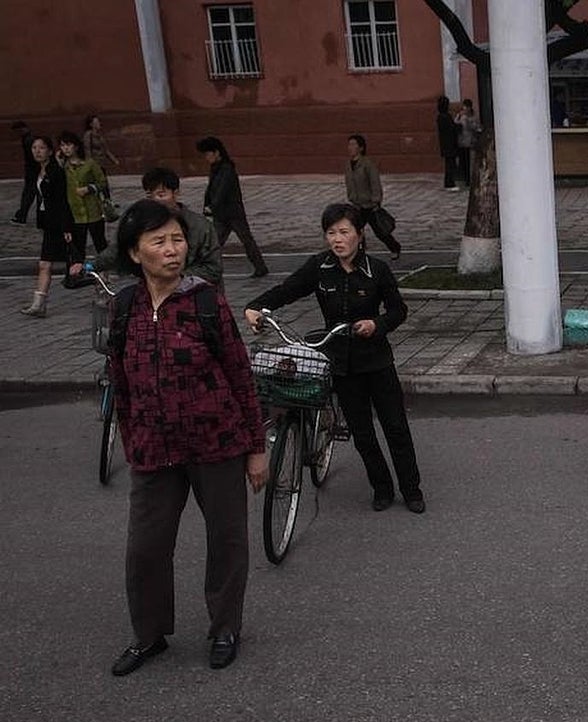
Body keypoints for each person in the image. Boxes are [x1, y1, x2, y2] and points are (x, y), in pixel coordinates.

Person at [107, 199, 267, 676]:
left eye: (177, 239)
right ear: (135, 252)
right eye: (159, 241)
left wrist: (256, 448)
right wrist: (130, 438)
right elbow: (120, 381)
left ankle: (225, 628)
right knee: (145, 548)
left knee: (227, 540)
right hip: (153, 450)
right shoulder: (124, 307)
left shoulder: (205, 301)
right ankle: (150, 634)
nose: (172, 250)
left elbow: (240, 375)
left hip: (217, 443)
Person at [244, 204, 425, 514]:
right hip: (341, 364)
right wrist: (256, 306)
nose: (337, 239)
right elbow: (287, 290)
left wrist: (377, 324)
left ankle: (411, 490)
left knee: (396, 427)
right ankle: (381, 488)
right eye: (331, 233)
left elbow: (398, 311)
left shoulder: (377, 270)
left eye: (344, 232)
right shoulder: (320, 267)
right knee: (362, 433)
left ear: (360, 235)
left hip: (377, 362)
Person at [78, 167, 224, 288]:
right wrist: (90, 266)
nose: (155, 201)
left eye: (161, 195)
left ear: (176, 194)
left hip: (194, 295)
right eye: (150, 195)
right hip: (154, 294)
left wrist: (173, 276)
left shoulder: (200, 226)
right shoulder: (140, 223)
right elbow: (118, 250)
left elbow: (213, 268)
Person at [195, 136, 268, 277]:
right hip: (221, 214)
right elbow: (211, 189)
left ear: (216, 152)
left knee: (246, 240)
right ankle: (207, 268)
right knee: (215, 243)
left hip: (233, 213)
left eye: (208, 154)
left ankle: (260, 267)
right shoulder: (216, 168)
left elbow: (222, 191)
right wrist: (207, 205)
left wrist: (212, 206)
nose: (206, 158)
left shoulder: (226, 168)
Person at [19, 136, 73, 317]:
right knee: (45, 264)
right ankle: (38, 305)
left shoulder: (56, 172)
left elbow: (62, 201)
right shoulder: (36, 170)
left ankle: (102, 288)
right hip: (49, 223)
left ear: (50, 151)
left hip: (60, 223)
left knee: (74, 262)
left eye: (41, 148)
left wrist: (66, 227)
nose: (37, 151)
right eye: (34, 148)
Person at [58, 131, 109, 271]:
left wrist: (89, 188)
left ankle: (105, 272)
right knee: (78, 246)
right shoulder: (63, 166)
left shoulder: (89, 163)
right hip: (75, 213)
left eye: (68, 145)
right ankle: (79, 273)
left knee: (100, 242)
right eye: (62, 145)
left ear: (76, 146)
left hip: (93, 210)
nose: (66, 148)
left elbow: (102, 182)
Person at [344, 134, 402, 259]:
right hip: (357, 204)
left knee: (380, 231)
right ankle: (360, 253)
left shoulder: (367, 164)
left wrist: (376, 200)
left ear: (361, 148)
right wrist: (351, 196)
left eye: (353, 144)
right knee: (356, 229)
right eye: (349, 144)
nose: (350, 147)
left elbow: (375, 182)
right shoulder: (348, 164)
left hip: (369, 204)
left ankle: (395, 247)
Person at [10, 121, 37, 225]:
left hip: (33, 171)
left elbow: (33, 157)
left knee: (28, 194)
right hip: (33, 170)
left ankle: (22, 215)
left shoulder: (28, 140)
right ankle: (22, 214)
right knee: (30, 194)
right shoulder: (28, 138)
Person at [454, 99, 481, 187]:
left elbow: (476, 127)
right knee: (463, 162)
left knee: (470, 162)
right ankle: (464, 179)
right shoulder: (461, 116)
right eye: (464, 107)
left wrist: (468, 122)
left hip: (470, 141)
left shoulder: (474, 117)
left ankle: (470, 180)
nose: (465, 109)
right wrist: (458, 116)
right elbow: (455, 123)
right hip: (462, 142)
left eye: (466, 107)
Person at [435, 96, 459, 191]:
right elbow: (452, 128)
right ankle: (450, 183)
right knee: (450, 165)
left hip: (445, 144)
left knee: (449, 164)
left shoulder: (440, 117)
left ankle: (449, 183)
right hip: (450, 144)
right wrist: (459, 125)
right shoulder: (446, 117)